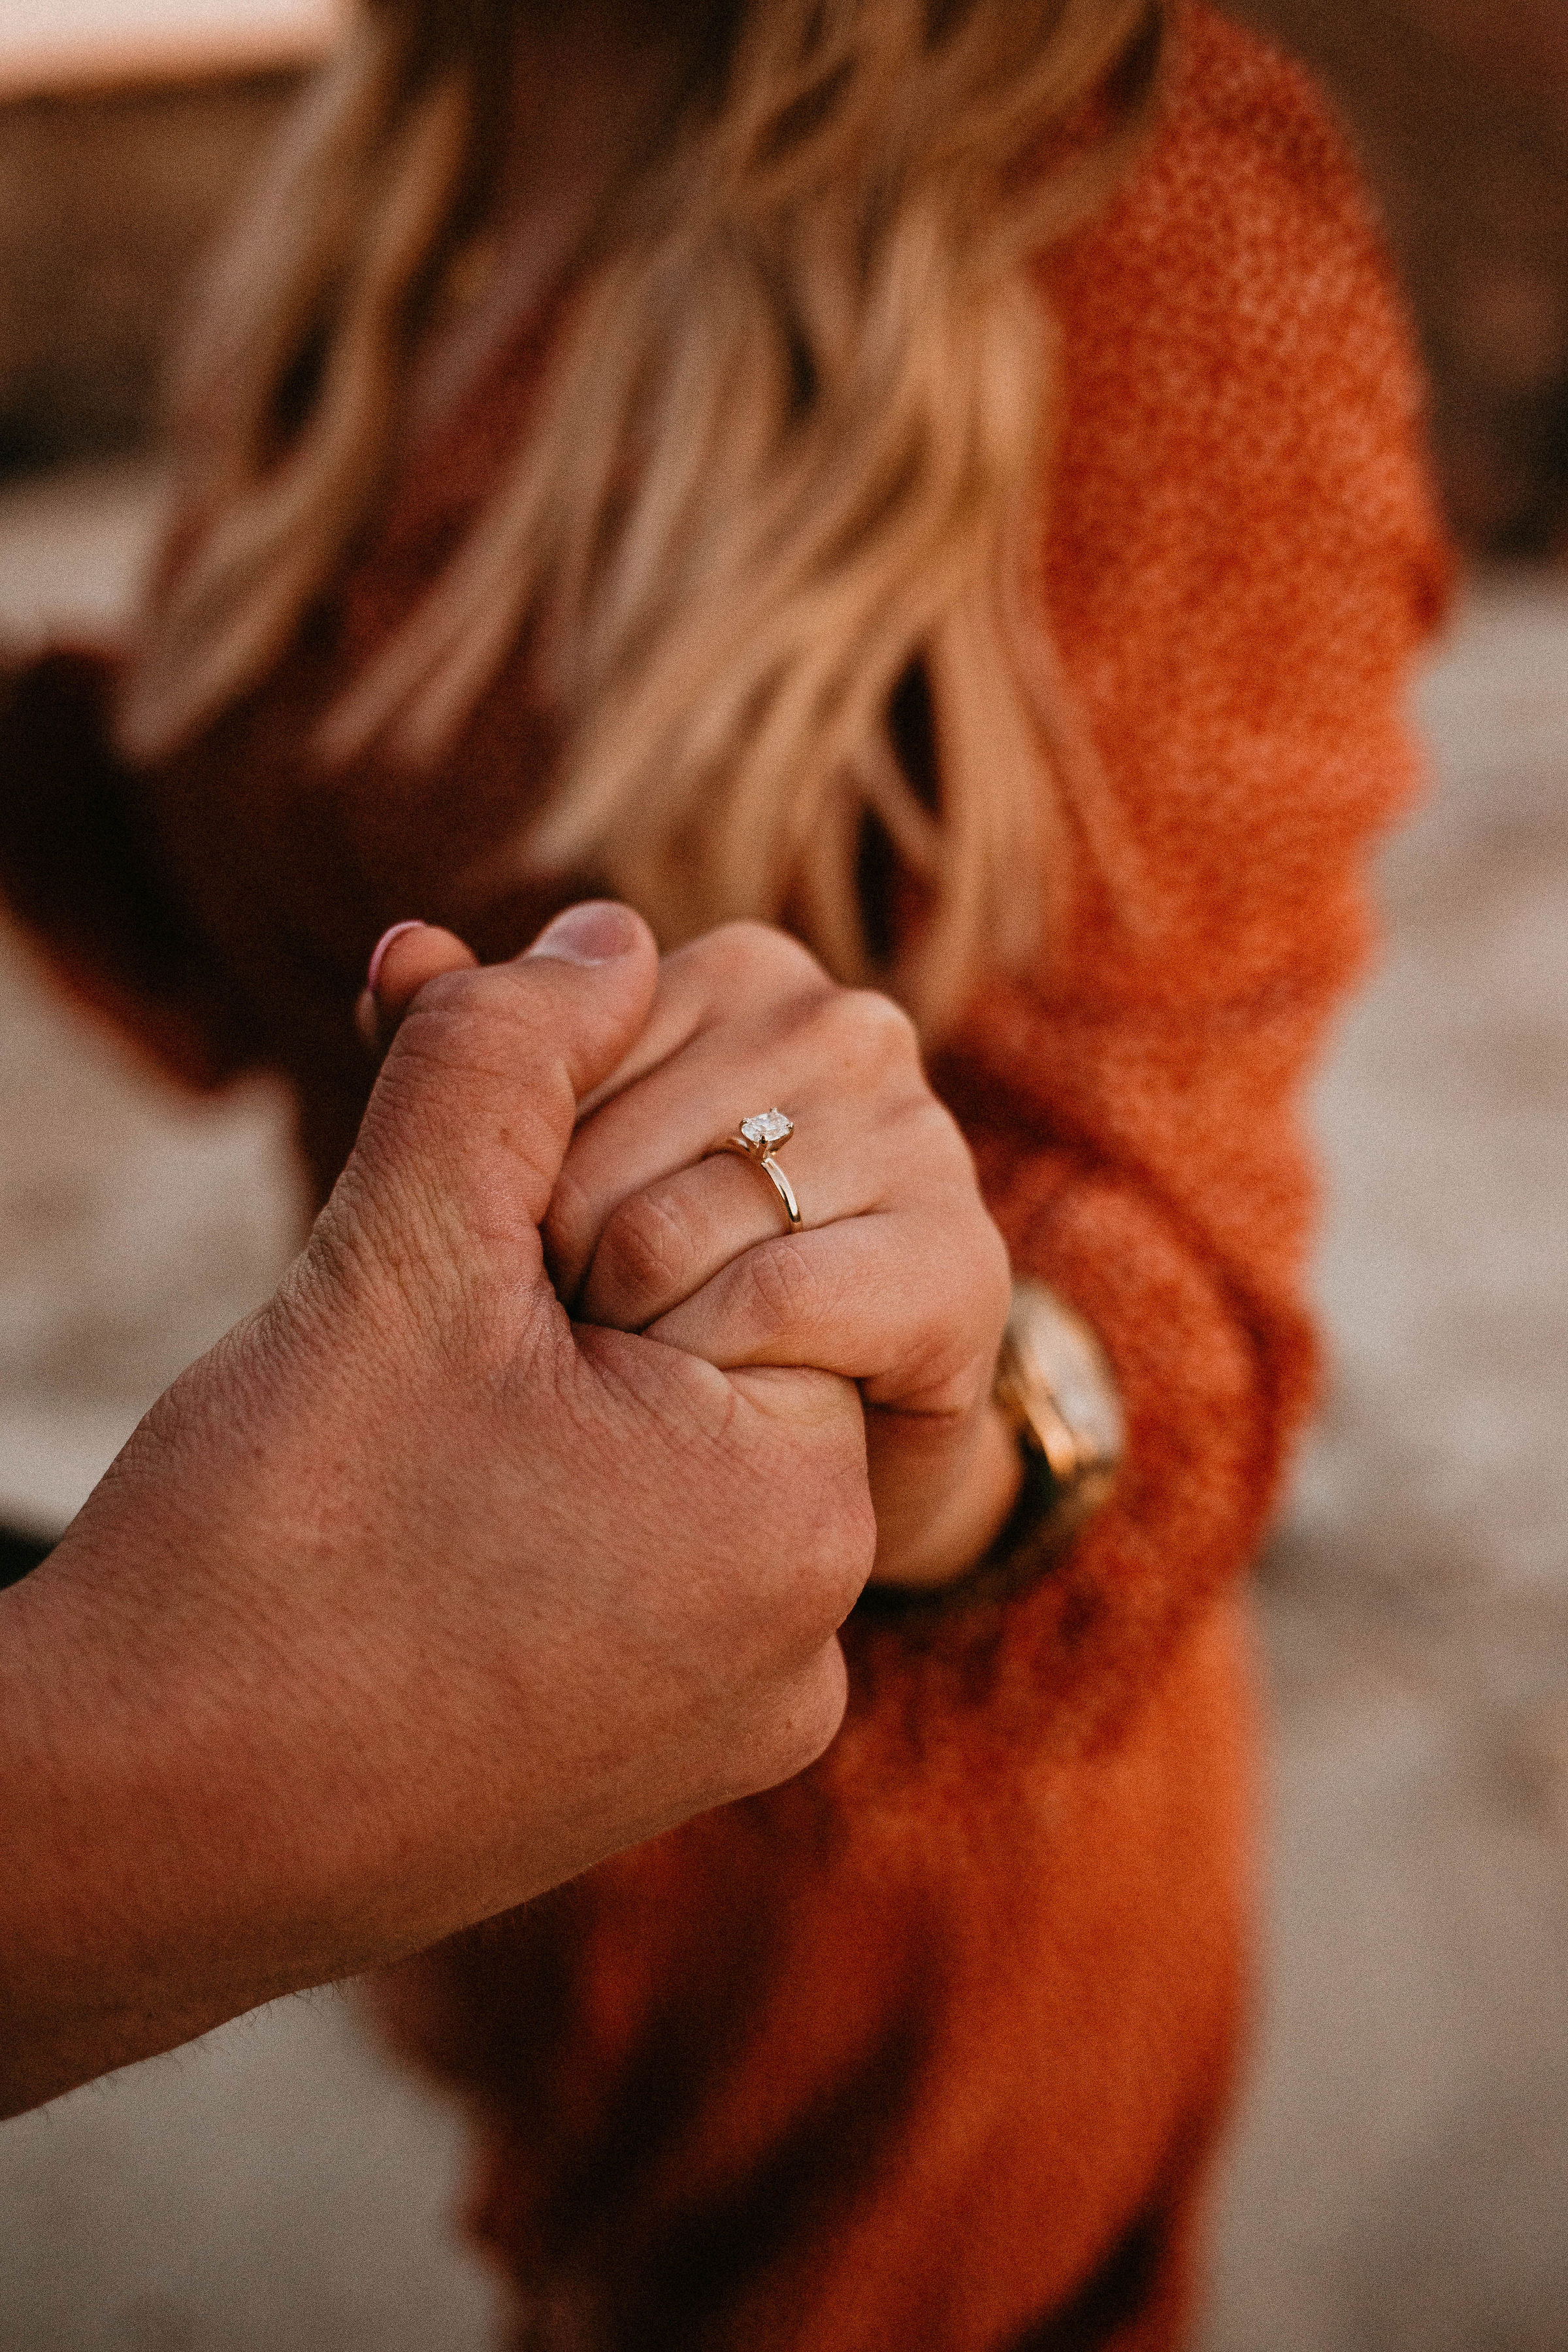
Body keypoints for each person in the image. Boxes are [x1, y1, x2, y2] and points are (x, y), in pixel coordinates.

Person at [0, 0, 1450, 2342]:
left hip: (885, 1858)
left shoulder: (1147, 196)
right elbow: (283, 896)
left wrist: (969, 1408)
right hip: (437, 1746)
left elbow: (1162, 1250)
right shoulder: (413, 143)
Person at [0, 904, 888, 2119]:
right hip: (401, 1635)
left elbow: (1171, 1297)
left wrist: (967, 1454)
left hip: (870, 1859)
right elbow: (151, 957)